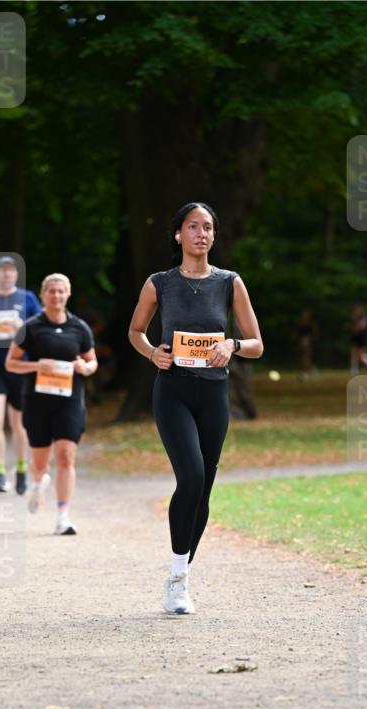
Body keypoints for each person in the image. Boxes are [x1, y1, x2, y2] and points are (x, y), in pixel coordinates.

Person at [128, 202, 264, 614]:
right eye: (193, 227)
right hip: (172, 392)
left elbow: (257, 344)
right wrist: (153, 354)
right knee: (190, 477)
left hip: (213, 395)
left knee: (203, 488)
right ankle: (176, 577)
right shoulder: (158, 283)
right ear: (178, 235)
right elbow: (135, 331)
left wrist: (232, 344)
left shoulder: (229, 283)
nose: (201, 234)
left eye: (208, 228)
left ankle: (182, 571)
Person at [5, 273, 96, 535]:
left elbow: (92, 362)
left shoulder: (79, 327)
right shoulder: (30, 327)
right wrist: (36, 365)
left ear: (68, 295)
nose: (56, 296)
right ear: (43, 295)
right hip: (37, 401)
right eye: (52, 291)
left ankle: (62, 516)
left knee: (66, 456)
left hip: (70, 399)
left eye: (61, 291)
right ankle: (37, 482)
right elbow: (11, 363)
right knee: (41, 462)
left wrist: (85, 367)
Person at [0, 256, 41, 495]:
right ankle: (0, 473)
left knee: (19, 423)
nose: (6, 274)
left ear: (16, 274)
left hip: (19, 365)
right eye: (1, 271)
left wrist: (21, 329)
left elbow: (39, 326)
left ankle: (22, 468)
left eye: (10, 271)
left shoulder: (28, 298)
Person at [348, 302, 367, 375]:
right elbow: (352, 327)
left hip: (361, 336)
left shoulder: (363, 316)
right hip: (355, 336)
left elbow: (362, 326)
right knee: (353, 353)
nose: (356, 310)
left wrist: (356, 327)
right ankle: (354, 369)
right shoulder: (354, 317)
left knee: (361, 354)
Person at [296, 307, 319, 380]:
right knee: (305, 356)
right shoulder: (300, 323)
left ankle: (307, 371)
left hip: (310, 343)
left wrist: (308, 339)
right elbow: (296, 334)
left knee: (307, 356)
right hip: (301, 343)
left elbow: (315, 334)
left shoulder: (312, 324)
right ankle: (307, 371)